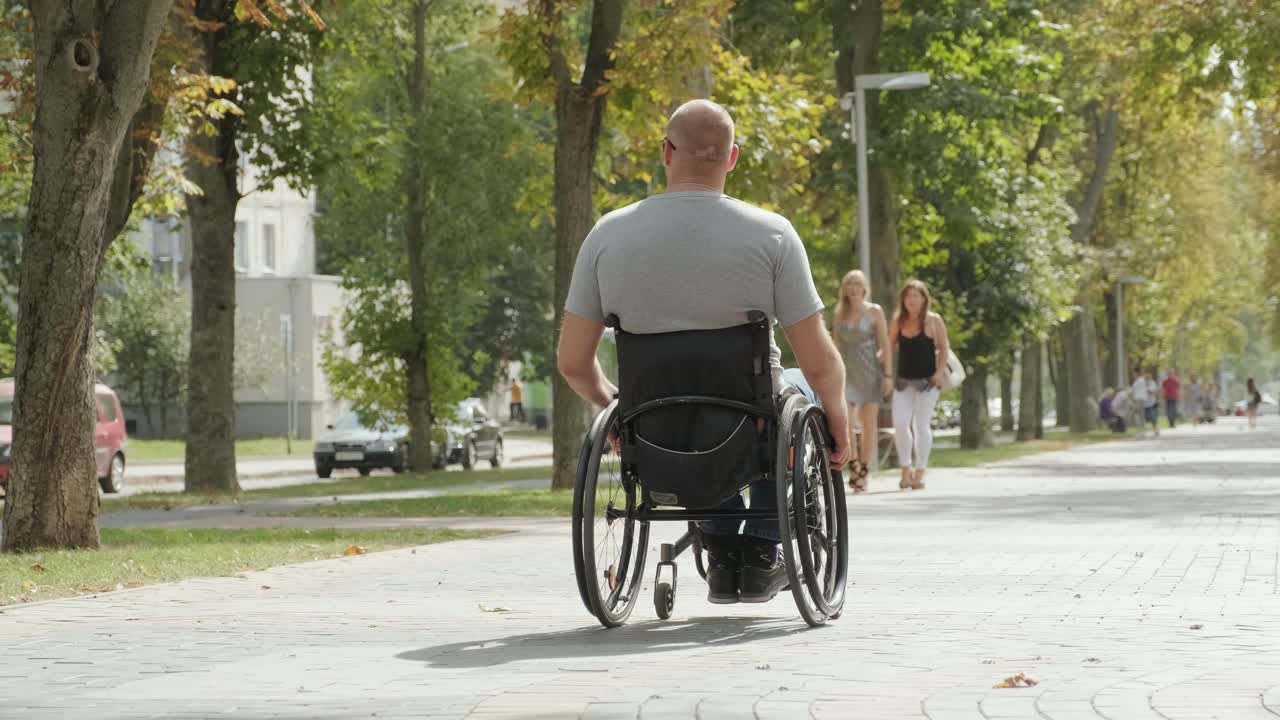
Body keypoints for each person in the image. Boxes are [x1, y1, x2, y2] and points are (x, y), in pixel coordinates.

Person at [556, 99, 850, 606]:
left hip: (653, 422)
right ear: (732, 158)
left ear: (666, 152)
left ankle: (718, 547)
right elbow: (820, 360)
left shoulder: (606, 235)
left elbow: (572, 362)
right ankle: (761, 553)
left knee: (699, 408)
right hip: (752, 422)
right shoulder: (773, 235)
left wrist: (616, 409)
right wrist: (840, 422)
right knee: (794, 392)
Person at [830, 270, 892, 493]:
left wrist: (888, 375)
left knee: (869, 423)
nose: (854, 287)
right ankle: (853, 464)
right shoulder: (840, 314)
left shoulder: (875, 311)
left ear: (864, 287)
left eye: (858, 283)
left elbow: (885, 344)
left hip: (871, 372)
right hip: (847, 373)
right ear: (845, 289)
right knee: (846, 420)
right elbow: (836, 345)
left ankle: (864, 470)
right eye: (850, 284)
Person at [888, 279, 950, 491]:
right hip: (903, 382)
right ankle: (905, 469)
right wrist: (885, 372)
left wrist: (939, 373)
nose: (912, 300)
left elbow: (944, 348)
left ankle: (920, 472)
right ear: (903, 300)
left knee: (921, 425)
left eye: (916, 296)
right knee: (900, 424)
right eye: (908, 296)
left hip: (928, 383)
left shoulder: (934, 321)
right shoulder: (899, 321)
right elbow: (888, 347)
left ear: (924, 299)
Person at [1132, 369, 1159, 437]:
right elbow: (1135, 391)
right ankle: (1141, 430)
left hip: (1148, 402)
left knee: (1151, 417)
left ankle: (1153, 430)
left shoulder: (1145, 381)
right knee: (1140, 416)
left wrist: (1148, 389)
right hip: (1142, 401)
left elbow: (1153, 391)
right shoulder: (1138, 381)